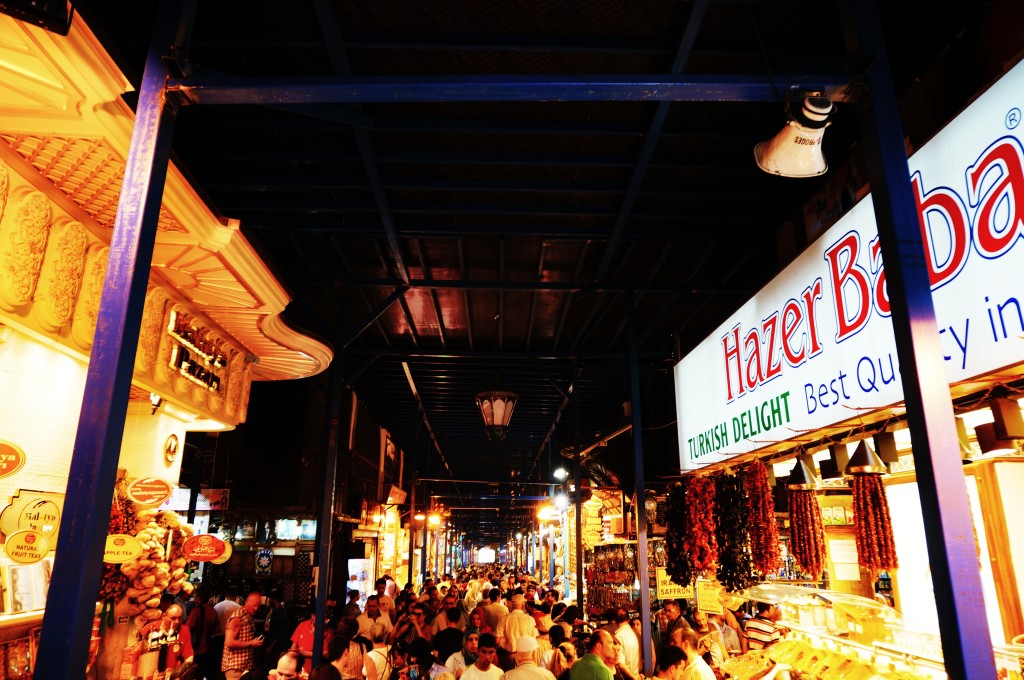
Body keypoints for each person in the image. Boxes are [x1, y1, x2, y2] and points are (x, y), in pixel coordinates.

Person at [222, 592, 264, 680]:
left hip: (244, 666)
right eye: (254, 605)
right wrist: (251, 643)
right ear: (247, 602)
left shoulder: (248, 616)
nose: (256, 608)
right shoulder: (237, 618)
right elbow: (229, 642)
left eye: (258, 606)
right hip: (235, 668)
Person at [495, 595, 537, 670]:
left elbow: (497, 640)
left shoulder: (504, 619)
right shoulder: (530, 619)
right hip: (526, 654)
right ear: (523, 604)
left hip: (510, 655)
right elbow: (534, 638)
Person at [185, 587, 218, 680]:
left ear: (199, 597)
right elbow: (215, 628)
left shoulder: (196, 611)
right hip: (208, 648)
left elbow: (187, 627)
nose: (194, 599)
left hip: (197, 648)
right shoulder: (213, 611)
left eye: (195, 596)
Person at [292, 610, 334, 675]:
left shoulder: (329, 631)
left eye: (325, 619)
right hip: (298, 668)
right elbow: (293, 645)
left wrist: (306, 653)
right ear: (313, 616)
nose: (322, 621)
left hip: (315, 670)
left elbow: (326, 654)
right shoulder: (302, 625)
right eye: (320, 618)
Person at [266, 590, 295, 671]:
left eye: (269, 599)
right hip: (277, 647)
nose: (268, 601)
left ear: (274, 599)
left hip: (278, 648)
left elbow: (279, 634)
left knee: (273, 669)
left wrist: (270, 647)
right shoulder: (276, 612)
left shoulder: (280, 613)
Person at [611, 609, 639, 678]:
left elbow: (620, 664)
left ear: (615, 621)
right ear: (628, 620)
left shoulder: (618, 636)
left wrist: (634, 678)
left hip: (629, 677)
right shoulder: (637, 634)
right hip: (639, 675)